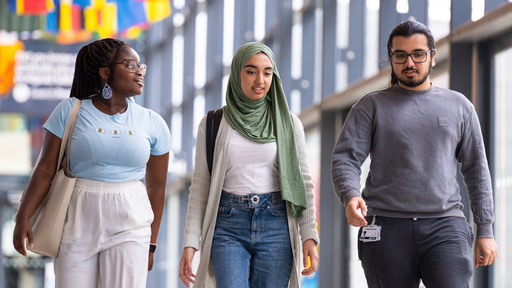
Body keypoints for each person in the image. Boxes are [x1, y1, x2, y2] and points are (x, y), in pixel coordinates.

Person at [331, 20, 498, 287]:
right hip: (385, 229)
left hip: (446, 227)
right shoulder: (370, 106)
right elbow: (345, 158)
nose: (410, 62)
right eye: (401, 55)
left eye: (418, 54)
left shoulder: (459, 106)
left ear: (433, 56)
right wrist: (350, 195)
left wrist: (485, 230)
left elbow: (477, 170)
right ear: (391, 59)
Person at [13, 38, 171, 288]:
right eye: (131, 65)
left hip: (131, 226)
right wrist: (23, 216)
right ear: (105, 72)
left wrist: (152, 243)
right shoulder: (69, 110)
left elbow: (156, 188)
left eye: (141, 66)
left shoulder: (154, 123)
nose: (139, 72)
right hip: (76, 221)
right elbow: (44, 170)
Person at [179, 42, 319, 288]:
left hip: (277, 224)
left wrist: (309, 235)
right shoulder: (212, 124)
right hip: (227, 224)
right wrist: (191, 243)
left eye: (267, 72)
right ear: (237, 74)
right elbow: (200, 186)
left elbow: (303, 183)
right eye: (251, 71)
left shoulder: (289, 124)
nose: (260, 79)